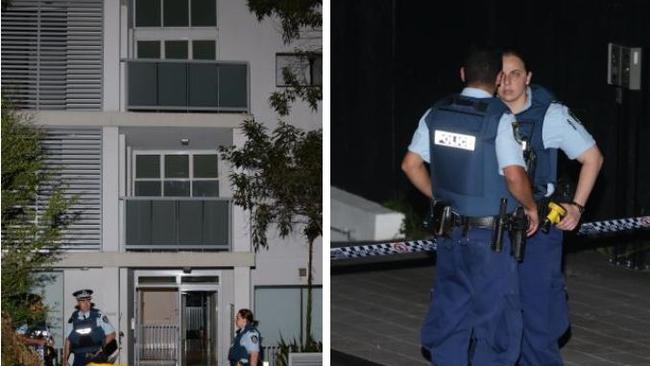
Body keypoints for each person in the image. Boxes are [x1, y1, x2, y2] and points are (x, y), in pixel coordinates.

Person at [402, 46, 539, 365]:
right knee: (496, 325)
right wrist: (531, 206)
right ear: (499, 77)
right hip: (489, 239)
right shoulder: (499, 118)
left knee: (450, 317)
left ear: (462, 75)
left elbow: (410, 164)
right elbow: (515, 175)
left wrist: (439, 197)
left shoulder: (437, 111)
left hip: (449, 234)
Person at [497, 49, 603, 366]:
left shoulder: (550, 115)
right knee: (495, 322)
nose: (507, 81)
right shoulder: (485, 112)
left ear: (528, 78)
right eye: (501, 75)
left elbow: (593, 158)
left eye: (515, 73)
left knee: (539, 324)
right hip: (493, 228)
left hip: (538, 231)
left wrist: (577, 207)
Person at [63, 289, 116, 366]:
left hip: (95, 356)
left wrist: (101, 348)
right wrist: (65, 360)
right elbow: (68, 340)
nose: (86, 303)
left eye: (88, 300)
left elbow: (112, 334)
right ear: (78, 302)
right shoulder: (73, 318)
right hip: (79, 357)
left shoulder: (98, 315)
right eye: (82, 301)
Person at [15, 293, 57, 366]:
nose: (41, 307)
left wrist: (51, 341)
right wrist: (37, 341)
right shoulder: (24, 321)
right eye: (38, 304)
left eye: (41, 304)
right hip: (29, 360)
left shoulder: (42, 322)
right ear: (31, 306)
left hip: (45, 360)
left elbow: (48, 337)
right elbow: (18, 338)